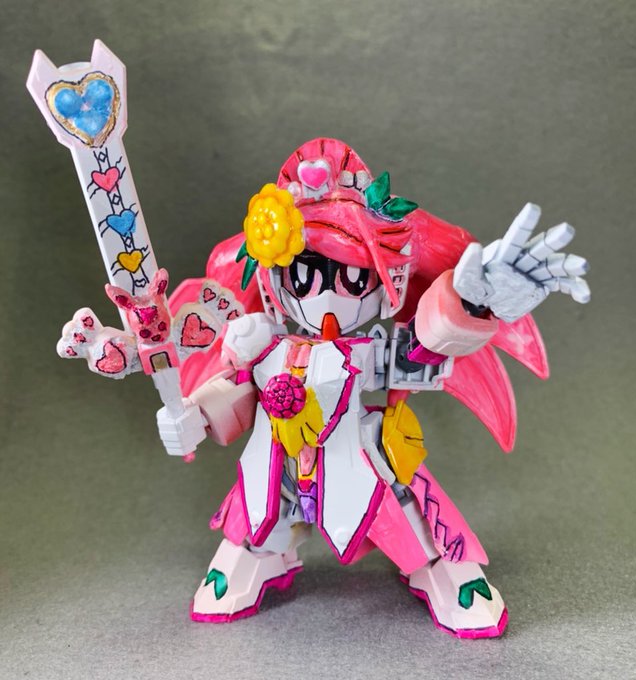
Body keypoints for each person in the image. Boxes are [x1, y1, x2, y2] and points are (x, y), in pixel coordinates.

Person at [161, 137, 590, 638]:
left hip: (355, 467)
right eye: (304, 275)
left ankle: (444, 572)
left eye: (350, 278)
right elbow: (238, 396)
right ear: (277, 281)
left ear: (387, 283)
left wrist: (472, 308)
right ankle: (258, 555)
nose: (324, 295)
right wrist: (193, 415)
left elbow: (419, 351)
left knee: (410, 517)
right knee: (253, 517)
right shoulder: (261, 345)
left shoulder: (362, 354)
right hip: (276, 471)